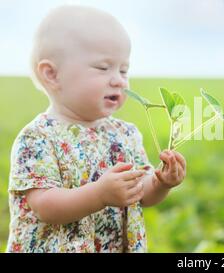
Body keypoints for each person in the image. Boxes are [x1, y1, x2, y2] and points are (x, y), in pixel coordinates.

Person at [6, 5, 186, 253]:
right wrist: (99, 194)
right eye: (103, 68)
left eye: (124, 70)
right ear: (52, 75)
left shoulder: (125, 133)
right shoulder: (37, 137)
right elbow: (44, 206)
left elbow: (141, 194)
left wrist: (160, 183)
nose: (119, 80)